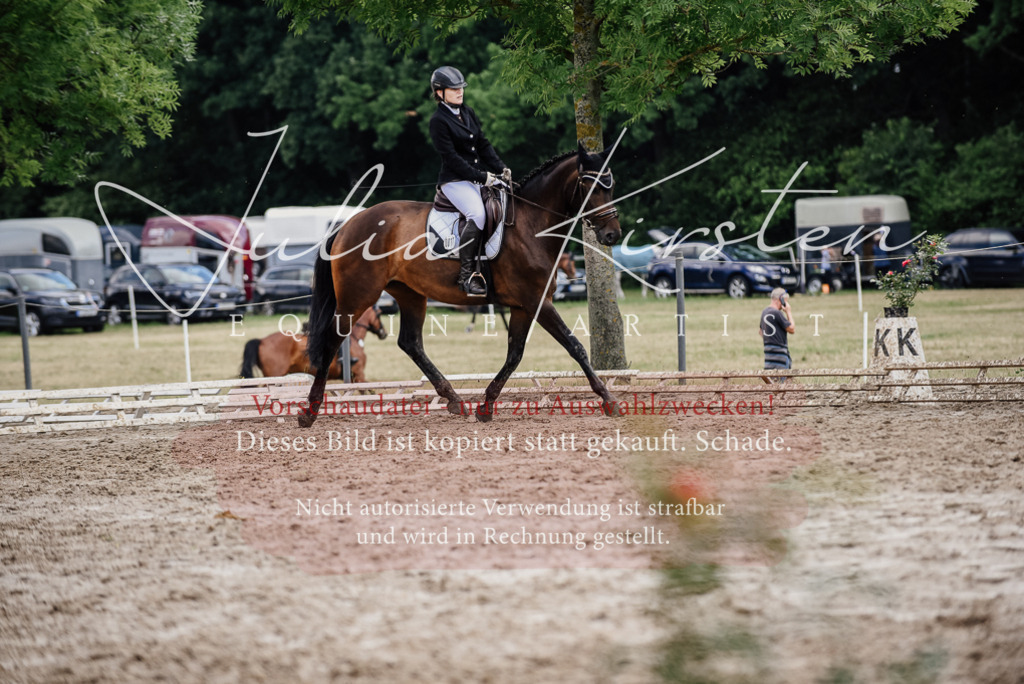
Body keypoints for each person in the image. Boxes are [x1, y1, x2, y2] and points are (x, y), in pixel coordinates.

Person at [428, 66, 511, 296]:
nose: (459, 92)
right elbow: (452, 159)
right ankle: (467, 276)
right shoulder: (438, 122)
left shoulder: (468, 112)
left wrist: (501, 168)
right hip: (455, 181)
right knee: (478, 214)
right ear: (439, 92)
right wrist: (483, 177)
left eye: (461, 88)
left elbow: (482, 144)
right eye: (453, 89)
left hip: (476, 178)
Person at [759, 287, 795, 381]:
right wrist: (788, 312)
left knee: (771, 383)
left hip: (768, 355)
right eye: (785, 301)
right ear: (781, 299)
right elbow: (791, 329)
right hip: (780, 356)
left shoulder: (765, 312)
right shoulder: (776, 313)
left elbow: (761, 332)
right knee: (781, 385)